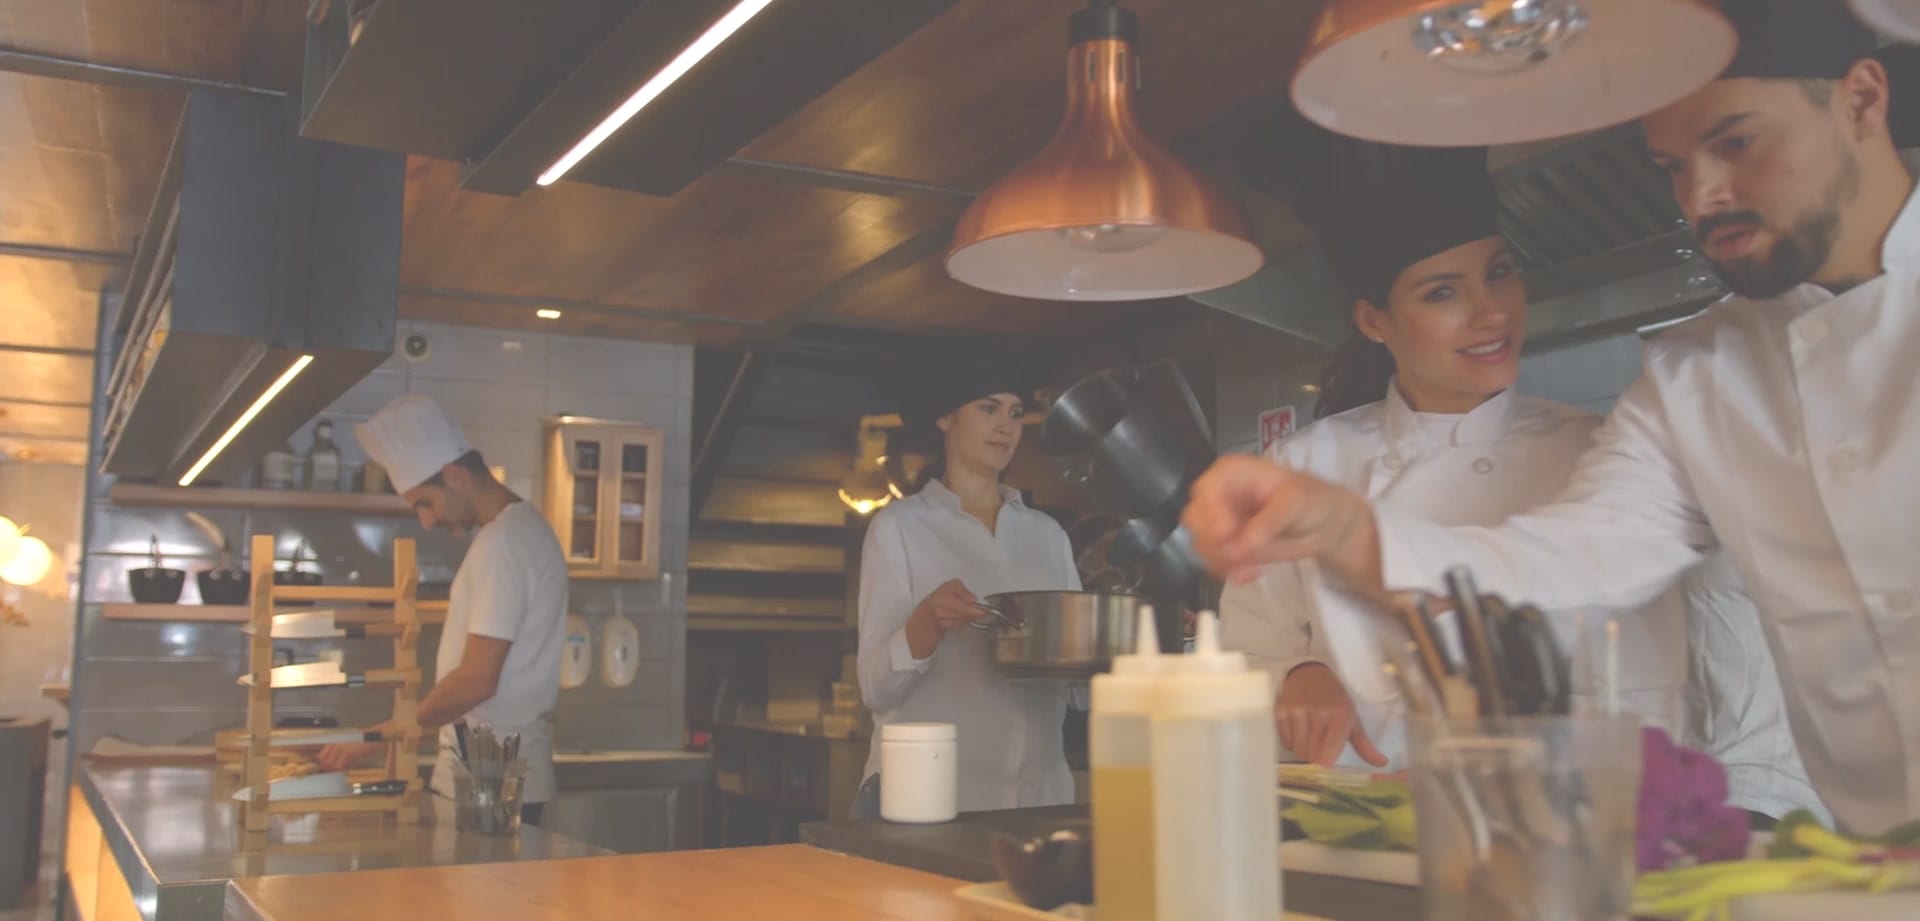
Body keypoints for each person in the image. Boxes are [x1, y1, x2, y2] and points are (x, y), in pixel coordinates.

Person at [1182, 0, 1919, 834]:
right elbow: (1570, 561)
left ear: (1862, 100)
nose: (1701, 197)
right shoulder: (1696, 375)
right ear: (1373, 321)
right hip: (1876, 857)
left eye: (1738, 140)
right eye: (1673, 165)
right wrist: (1349, 534)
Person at [1214, 128, 1818, 820]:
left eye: (1499, 271)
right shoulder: (1304, 464)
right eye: (1444, 292)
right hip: (1371, 831)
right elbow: (1242, 654)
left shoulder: (1610, 451)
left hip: (1591, 831)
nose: (1491, 311)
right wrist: (1298, 676)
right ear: (1374, 320)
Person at [316, 394, 568, 827]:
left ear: (455, 477)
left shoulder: (504, 545)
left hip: (493, 785)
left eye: (424, 504)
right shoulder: (518, 533)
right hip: (488, 779)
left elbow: (476, 680)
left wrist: (377, 737)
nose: (427, 522)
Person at [856, 348, 1081, 813]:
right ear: (945, 418)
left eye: (1016, 414)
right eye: (988, 408)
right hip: (926, 803)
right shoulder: (899, 528)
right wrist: (928, 623)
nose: (1006, 427)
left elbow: (1081, 687)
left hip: (1038, 804)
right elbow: (875, 689)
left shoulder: (1048, 536)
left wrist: (1149, 644)